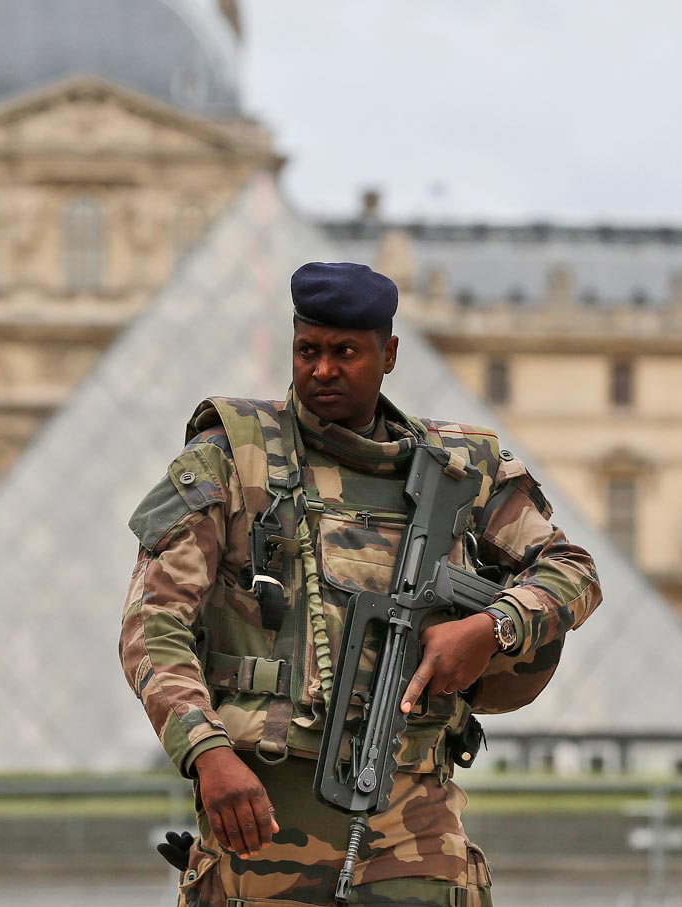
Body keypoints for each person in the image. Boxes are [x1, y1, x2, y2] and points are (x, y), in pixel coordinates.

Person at [120, 262, 603, 906]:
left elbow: (571, 569)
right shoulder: (231, 456)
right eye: (307, 350)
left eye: (345, 352)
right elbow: (153, 623)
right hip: (261, 810)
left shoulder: (462, 471)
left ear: (389, 354)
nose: (322, 370)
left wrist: (492, 628)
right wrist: (207, 752)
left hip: (414, 816)